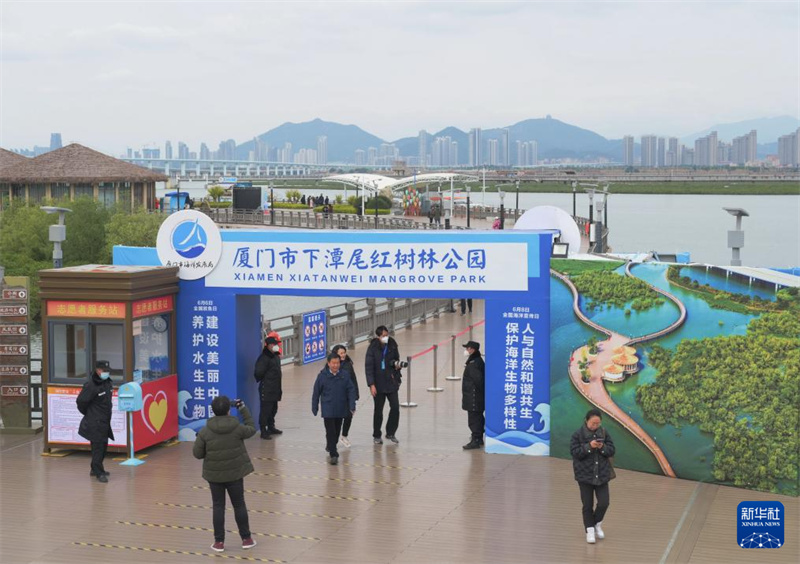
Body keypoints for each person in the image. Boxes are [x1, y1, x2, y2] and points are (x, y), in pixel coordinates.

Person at [193, 396, 257, 553]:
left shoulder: (205, 431)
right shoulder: (237, 428)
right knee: (239, 504)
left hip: (214, 476)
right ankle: (246, 539)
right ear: (229, 410)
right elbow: (251, 428)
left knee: (218, 506)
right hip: (235, 474)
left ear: (213, 411)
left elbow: (197, 454)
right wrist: (242, 408)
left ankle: (219, 542)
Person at [570, 408, 616, 544]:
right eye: (593, 423)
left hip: (601, 474)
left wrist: (602, 447)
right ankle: (589, 530)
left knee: (604, 503)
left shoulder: (604, 433)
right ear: (586, 421)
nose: (595, 426)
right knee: (587, 505)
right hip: (584, 476)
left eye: (598, 423)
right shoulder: (577, 435)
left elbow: (612, 450)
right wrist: (589, 446)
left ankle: (596, 523)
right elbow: (575, 453)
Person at [312, 353, 357, 465]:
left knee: (336, 431)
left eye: (337, 363)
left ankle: (331, 444)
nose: (335, 365)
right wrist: (314, 406)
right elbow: (316, 392)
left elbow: (351, 390)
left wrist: (352, 405)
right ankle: (334, 454)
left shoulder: (344, 375)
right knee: (330, 431)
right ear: (328, 363)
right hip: (328, 408)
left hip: (341, 408)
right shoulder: (322, 376)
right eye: (333, 363)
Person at [76, 360, 115, 483]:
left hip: (105, 421)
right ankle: (99, 472)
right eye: (104, 370)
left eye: (108, 371)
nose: (106, 373)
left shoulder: (107, 383)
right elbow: (81, 402)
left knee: (103, 446)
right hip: (95, 422)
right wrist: (90, 414)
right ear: (98, 370)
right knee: (98, 447)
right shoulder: (91, 385)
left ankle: (94, 468)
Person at [364, 325, 401, 445]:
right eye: (383, 336)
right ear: (378, 336)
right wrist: (371, 384)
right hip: (378, 384)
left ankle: (391, 432)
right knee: (378, 410)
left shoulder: (392, 344)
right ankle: (376, 435)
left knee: (395, 408)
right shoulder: (372, 348)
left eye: (387, 335)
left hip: (391, 381)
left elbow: (396, 358)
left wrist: (397, 365)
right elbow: (368, 367)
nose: (386, 337)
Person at [254, 336, 283, 439]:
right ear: (269, 345)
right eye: (274, 344)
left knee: (273, 409)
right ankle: (263, 430)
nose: (276, 346)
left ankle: (271, 427)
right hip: (267, 389)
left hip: (275, 388)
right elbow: (258, 372)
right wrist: (266, 380)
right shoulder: (264, 358)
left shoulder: (275, 356)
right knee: (265, 411)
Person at [331, 344, 360, 448]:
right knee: (336, 420)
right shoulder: (331, 365)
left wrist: (356, 394)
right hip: (336, 397)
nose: (343, 355)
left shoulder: (348, 364)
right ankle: (332, 441)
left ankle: (344, 436)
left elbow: (353, 379)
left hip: (348, 395)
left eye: (344, 353)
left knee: (348, 416)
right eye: (341, 353)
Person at [461, 341, 485, 449]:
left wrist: (478, 394)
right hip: (475, 396)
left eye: (467, 348)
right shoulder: (477, 360)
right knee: (478, 417)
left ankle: (476, 439)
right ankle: (478, 438)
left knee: (474, 419)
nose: (466, 350)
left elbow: (478, 380)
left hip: (474, 396)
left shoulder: (473, 364)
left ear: (472, 349)